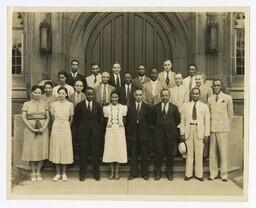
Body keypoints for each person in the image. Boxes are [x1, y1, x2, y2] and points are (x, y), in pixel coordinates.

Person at [180, 87, 210, 181]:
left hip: (199, 131)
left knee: (199, 153)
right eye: (193, 93)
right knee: (189, 153)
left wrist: (206, 134)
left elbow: (207, 121)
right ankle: (188, 174)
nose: (195, 95)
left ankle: (199, 174)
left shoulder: (204, 106)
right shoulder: (185, 106)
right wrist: (182, 133)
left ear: (199, 95)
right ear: (191, 95)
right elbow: (183, 120)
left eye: (197, 93)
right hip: (189, 129)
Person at [73, 87, 103, 181]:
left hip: (95, 133)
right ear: (85, 95)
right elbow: (76, 121)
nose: (90, 96)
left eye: (92, 94)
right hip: (83, 133)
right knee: (83, 154)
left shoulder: (98, 105)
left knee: (95, 154)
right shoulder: (79, 106)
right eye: (88, 94)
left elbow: (100, 120)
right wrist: (77, 133)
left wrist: (99, 132)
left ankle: (96, 173)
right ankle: (82, 174)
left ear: (94, 95)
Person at [21, 85, 50, 182]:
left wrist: (43, 127)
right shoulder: (26, 104)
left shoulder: (45, 103)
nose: (37, 94)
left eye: (39, 93)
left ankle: (38, 171)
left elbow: (48, 117)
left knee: (42, 149)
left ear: (41, 94)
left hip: (43, 128)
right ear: (32, 93)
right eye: (35, 92)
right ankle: (33, 172)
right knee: (32, 150)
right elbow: (24, 118)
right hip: (30, 129)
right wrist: (32, 129)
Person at [152, 89, 180, 181]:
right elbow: (152, 121)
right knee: (158, 155)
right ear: (161, 96)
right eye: (163, 95)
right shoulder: (155, 107)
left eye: (166, 95)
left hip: (170, 135)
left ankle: (169, 173)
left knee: (170, 155)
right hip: (158, 135)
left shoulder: (174, 108)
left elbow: (177, 121)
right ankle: (157, 173)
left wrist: (170, 129)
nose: (165, 97)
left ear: (169, 96)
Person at [208, 79, 234, 182]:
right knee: (212, 152)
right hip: (213, 128)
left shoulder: (227, 98)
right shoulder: (210, 99)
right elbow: (209, 114)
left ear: (221, 86)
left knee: (223, 152)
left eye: (218, 85)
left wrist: (226, 126)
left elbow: (230, 113)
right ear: (213, 87)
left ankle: (224, 174)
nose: (216, 87)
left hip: (223, 128)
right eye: (214, 85)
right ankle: (213, 173)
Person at [49, 87, 74, 181]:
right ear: (57, 94)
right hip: (56, 127)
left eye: (63, 93)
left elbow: (71, 118)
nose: (61, 95)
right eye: (59, 93)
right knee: (56, 148)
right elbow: (52, 117)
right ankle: (57, 173)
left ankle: (64, 173)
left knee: (65, 149)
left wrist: (67, 126)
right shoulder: (53, 104)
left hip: (66, 128)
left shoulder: (70, 104)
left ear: (66, 94)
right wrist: (57, 125)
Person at [102, 91, 128, 180]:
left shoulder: (123, 108)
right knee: (110, 150)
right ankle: (111, 171)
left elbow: (124, 120)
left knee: (119, 151)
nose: (114, 99)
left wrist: (119, 127)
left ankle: (117, 171)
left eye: (116, 97)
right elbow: (106, 120)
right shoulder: (106, 108)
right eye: (112, 97)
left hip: (120, 132)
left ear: (118, 98)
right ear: (110, 98)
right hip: (110, 132)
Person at [126, 89, 151, 180]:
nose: (138, 96)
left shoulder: (147, 107)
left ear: (143, 95)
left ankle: (145, 173)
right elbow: (128, 121)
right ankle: (133, 173)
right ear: (134, 96)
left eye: (140, 95)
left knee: (144, 155)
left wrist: (147, 133)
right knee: (133, 155)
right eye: (137, 95)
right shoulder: (130, 106)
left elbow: (149, 121)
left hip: (143, 135)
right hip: (133, 135)